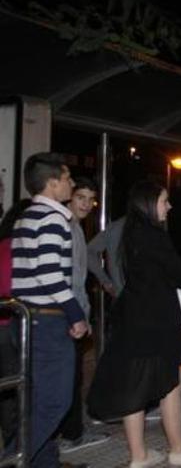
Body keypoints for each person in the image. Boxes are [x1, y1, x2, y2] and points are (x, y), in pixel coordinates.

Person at [87, 181, 181, 467]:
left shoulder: (126, 231)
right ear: (149, 203)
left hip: (129, 318)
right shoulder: (153, 236)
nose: (168, 206)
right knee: (172, 381)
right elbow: (180, 274)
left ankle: (139, 455)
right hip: (156, 320)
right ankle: (178, 449)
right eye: (164, 200)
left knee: (134, 384)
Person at [10, 152, 88, 467]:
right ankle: (13, 459)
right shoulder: (53, 218)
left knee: (37, 401)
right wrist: (75, 314)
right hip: (47, 321)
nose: (71, 183)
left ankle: (44, 463)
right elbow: (50, 273)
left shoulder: (25, 216)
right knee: (55, 401)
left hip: (28, 319)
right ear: (53, 182)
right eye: (68, 178)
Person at [57, 178, 110, 454]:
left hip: (73, 311)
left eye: (90, 199)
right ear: (69, 198)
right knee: (69, 377)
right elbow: (68, 280)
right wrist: (77, 314)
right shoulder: (66, 228)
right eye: (81, 197)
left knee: (74, 376)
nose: (86, 204)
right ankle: (71, 434)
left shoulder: (76, 228)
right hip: (67, 315)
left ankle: (73, 428)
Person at [0, 199, 31, 449]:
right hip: (10, 326)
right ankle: (15, 449)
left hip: (7, 325)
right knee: (17, 391)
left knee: (9, 390)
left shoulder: (4, 245)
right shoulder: (15, 248)